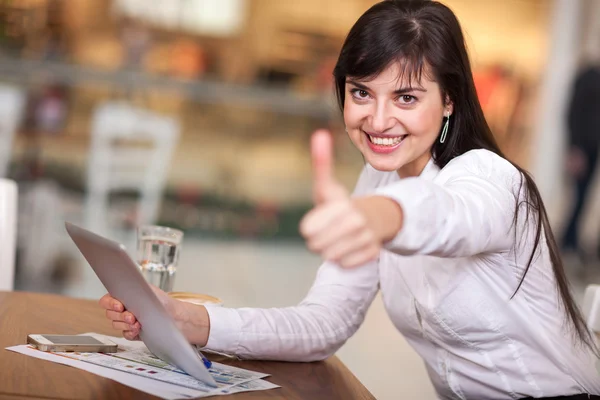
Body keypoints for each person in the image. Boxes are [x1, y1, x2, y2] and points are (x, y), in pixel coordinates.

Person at [100, 1, 600, 398]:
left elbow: (446, 215)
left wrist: (378, 216)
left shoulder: (490, 178)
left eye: (406, 97)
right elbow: (323, 323)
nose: (378, 121)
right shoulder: (378, 180)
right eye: (362, 93)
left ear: (449, 100)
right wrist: (186, 319)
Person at [561, 63, 600, 261]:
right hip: (584, 149)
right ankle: (568, 242)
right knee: (579, 197)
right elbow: (573, 113)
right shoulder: (588, 77)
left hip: (594, 149)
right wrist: (575, 148)